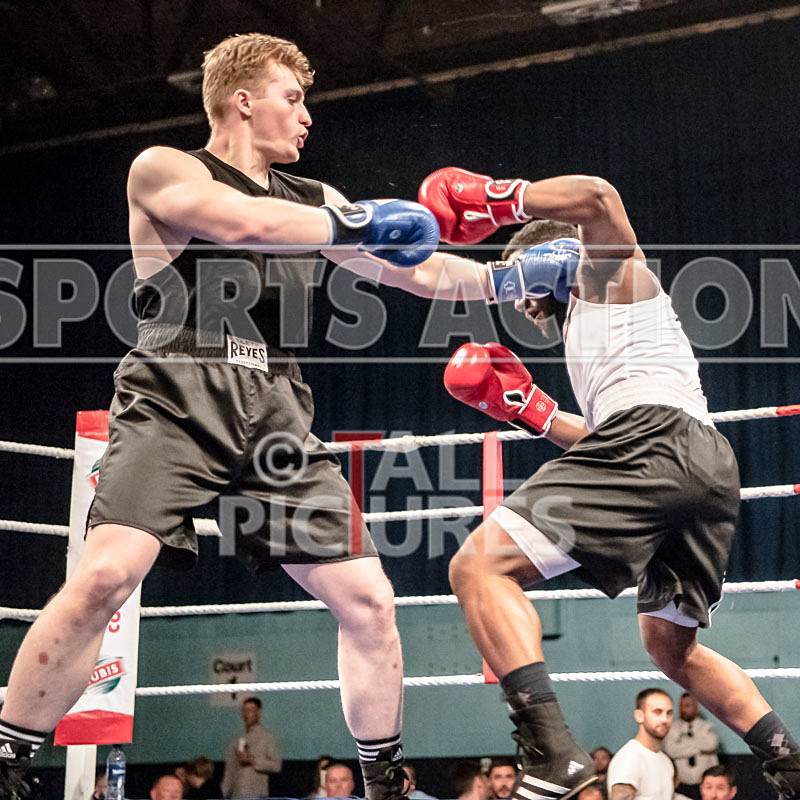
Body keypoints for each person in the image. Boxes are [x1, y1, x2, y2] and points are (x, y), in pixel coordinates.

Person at [0, 32, 441, 800]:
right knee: (107, 574)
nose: (307, 118)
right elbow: (239, 223)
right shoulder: (167, 167)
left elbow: (423, 271)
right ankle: (8, 759)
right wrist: (360, 224)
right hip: (177, 383)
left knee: (369, 599)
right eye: (293, 98)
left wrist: (515, 276)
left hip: (275, 405)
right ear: (243, 99)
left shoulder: (319, 201)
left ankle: (385, 780)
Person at [395, 166, 800, 800]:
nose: (524, 305)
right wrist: (535, 412)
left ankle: (553, 754)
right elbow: (613, 442)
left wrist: (496, 200)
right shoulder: (598, 332)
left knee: (477, 568)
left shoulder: (608, 275)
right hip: (700, 468)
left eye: (523, 282)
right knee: (670, 647)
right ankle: (790, 766)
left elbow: (600, 196)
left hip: (655, 444)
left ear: (551, 254)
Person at [606, 689, 675, 800]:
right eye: (657, 712)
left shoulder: (666, 762)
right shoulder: (629, 757)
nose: (664, 719)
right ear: (639, 716)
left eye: (669, 713)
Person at [221, 697, 281, 799]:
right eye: (244, 710)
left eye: (249, 710)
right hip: (237, 794)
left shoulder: (267, 738)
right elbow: (230, 769)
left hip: (257, 794)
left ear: (258, 712)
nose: (246, 714)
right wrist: (223, 793)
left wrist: (253, 761)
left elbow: (276, 766)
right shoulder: (236, 738)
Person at [663, 694, 720, 800]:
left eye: (688, 705)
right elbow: (671, 750)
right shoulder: (672, 729)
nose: (684, 709)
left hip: (705, 787)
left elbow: (711, 744)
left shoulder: (707, 727)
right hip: (681, 786)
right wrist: (699, 749)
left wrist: (681, 743)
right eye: (682, 706)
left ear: (696, 707)